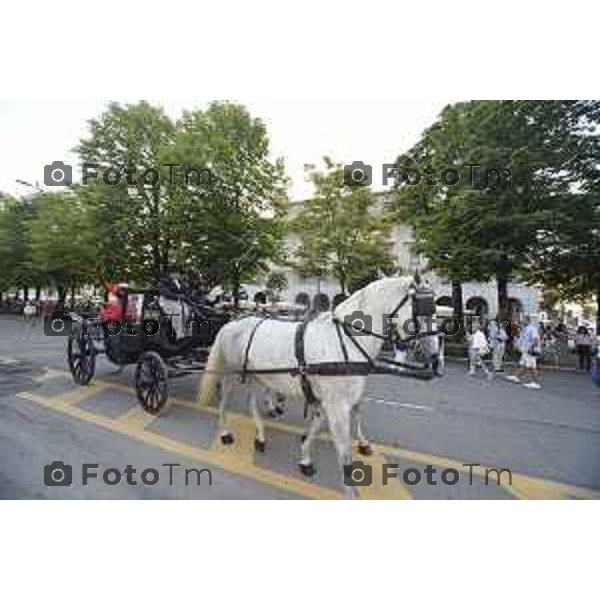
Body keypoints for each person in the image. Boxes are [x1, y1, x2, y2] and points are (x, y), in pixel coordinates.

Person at [506, 315, 542, 389]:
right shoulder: (525, 328)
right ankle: (516, 377)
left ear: (528, 320)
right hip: (526, 350)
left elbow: (535, 339)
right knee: (523, 365)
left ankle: (536, 383)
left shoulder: (532, 328)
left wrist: (531, 349)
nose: (522, 321)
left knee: (532, 367)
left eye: (524, 320)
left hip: (530, 351)